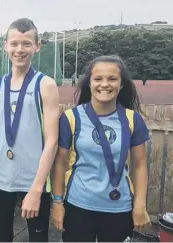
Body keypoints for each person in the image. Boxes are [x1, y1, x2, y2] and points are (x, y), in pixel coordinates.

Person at [51, 55, 151, 242]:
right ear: (89, 83)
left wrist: (139, 205)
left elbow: (140, 165)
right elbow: (59, 163)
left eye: (112, 79)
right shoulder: (71, 118)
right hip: (78, 206)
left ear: (121, 84)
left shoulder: (132, 120)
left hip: (119, 207)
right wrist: (57, 202)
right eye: (98, 79)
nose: (104, 84)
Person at [0, 18, 59, 242]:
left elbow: (51, 140)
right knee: (2, 237)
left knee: (37, 238)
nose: (19, 50)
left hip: (33, 179)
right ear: (6, 45)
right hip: (0, 178)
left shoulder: (45, 85)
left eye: (26, 43)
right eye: (14, 43)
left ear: (37, 46)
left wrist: (37, 188)